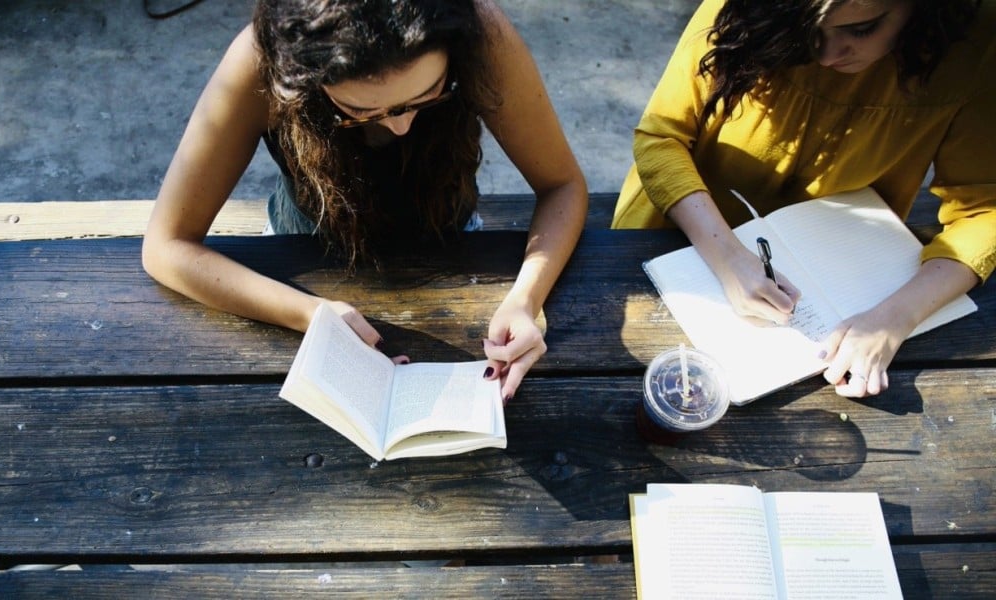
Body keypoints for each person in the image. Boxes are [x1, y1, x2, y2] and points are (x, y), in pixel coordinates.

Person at [142, 0, 588, 404]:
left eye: (429, 94)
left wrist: (525, 300)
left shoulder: (480, 31)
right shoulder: (260, 61)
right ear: (300, 78)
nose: (401, 127)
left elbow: (562, 185)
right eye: (362, 113)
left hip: (452, 241)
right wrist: (311, 313)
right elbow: (167, 246)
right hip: (300, 253)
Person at [613, 0, 994, 398]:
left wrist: (894, 318)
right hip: (676, 231)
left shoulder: (977, 44)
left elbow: (985, 211)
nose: (828, 55)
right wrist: (727, 257)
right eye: (810, 30)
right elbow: (662, 138)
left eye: (862, 29)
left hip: (848, 279)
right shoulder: (746, 8)